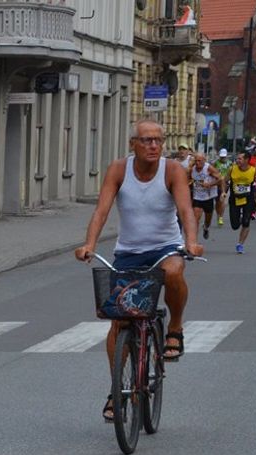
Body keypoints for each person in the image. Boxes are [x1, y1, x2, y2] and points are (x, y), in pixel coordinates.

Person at [73, 119, 203, 421]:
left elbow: (186, 210)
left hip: (165, 248)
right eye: (146, 140)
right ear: (133, 143)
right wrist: (89, 245)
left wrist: (191, 243)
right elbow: (101, 210)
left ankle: (175, 328)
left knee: (173, 272)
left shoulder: (172, 170)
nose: (153, 145)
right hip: (128, 252)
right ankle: (117, 390)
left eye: (158, 140)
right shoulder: (119, 170)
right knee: (118, 322)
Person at [224, 150, 256, 254]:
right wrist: (223, 192)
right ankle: (240, 219)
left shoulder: (254, 171)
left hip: (249, 199)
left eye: (240, 158)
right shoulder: (232, 169)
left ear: (246, 160)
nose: (237, 160)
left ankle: (240, 244)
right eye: (237, 158)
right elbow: (225, 181)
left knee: (246, 222)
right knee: (235, 225)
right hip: (235, 198)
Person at [188, 153, 221, 240]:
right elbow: (187, 178)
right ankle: (193, 240)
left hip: (208, 197)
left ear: (204, 161)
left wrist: (209, 184)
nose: (197, 162)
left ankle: (206, 228)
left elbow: (220, 179)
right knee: (195, 219)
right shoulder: (192, 169)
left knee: (208, 220)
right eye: (196, 160)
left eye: (199, 161)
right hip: (197, 197)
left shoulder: (208, 168)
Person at [213, 148, 231, 226]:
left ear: (226, 156)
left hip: (226, 184)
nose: (222, 158)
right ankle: (218, 214)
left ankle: (221, 217)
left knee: (222, 199)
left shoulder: (230, 163)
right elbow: (212, 171)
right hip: (217, 183)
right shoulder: (216, 163)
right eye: (221, 157)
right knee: (217, 202)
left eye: (224, 157)